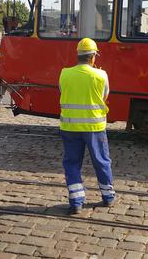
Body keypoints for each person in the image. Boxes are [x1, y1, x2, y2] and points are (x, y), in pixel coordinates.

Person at [58, 38, 115, 214]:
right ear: (93, 57)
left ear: (78, 55)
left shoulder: (64, 73)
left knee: (72, 163)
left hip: (70, 128)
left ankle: (76, 201)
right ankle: (108, 197)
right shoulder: (101, 75)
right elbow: (104, 96)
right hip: (94, 128)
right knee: (101, 161)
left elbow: (62, 92)